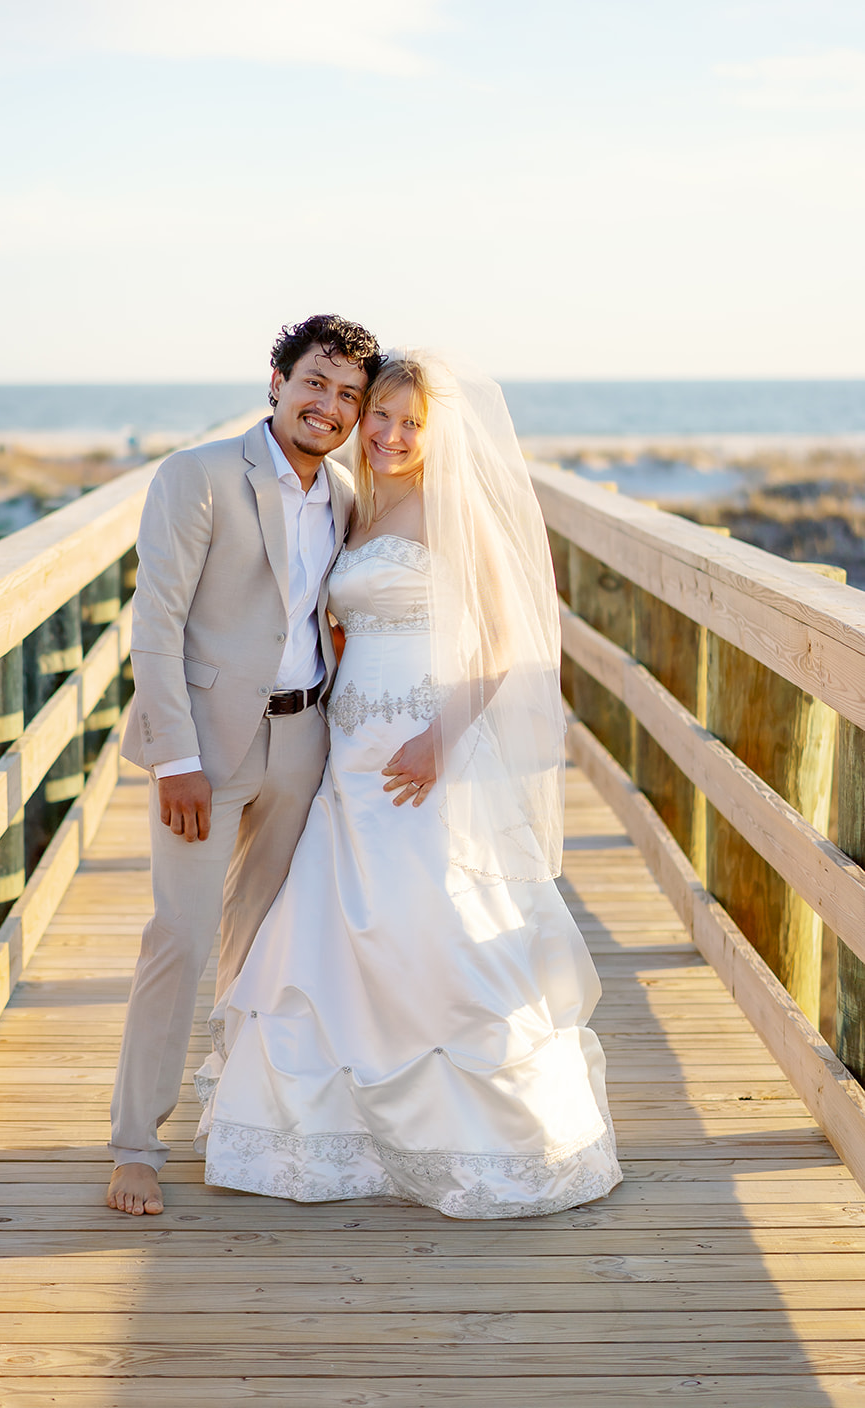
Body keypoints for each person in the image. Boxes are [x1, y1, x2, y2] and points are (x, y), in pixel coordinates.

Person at [194, 352, 622, 1218]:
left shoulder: (452, 506)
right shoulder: (360, 503)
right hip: (347, 741)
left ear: (437, 432)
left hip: (427, 741)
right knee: (336, 921)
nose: (388, 435)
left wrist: (439, 739)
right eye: (378, 416)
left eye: (408, 423)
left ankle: (477, 1139)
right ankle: (326, 1130)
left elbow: (506, 642)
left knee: (439, 915)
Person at [107, 314, 384, 1216]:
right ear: (276, 379)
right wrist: (173, 756)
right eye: (315, 382)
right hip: (206, 748)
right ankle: (134, 1145)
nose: (330, 405)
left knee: (262, 941)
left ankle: (234, 1110)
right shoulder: (197, 476)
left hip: (305, 743)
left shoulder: (343, 495)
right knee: (179, 938)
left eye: (348, 394)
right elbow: (155, 625)